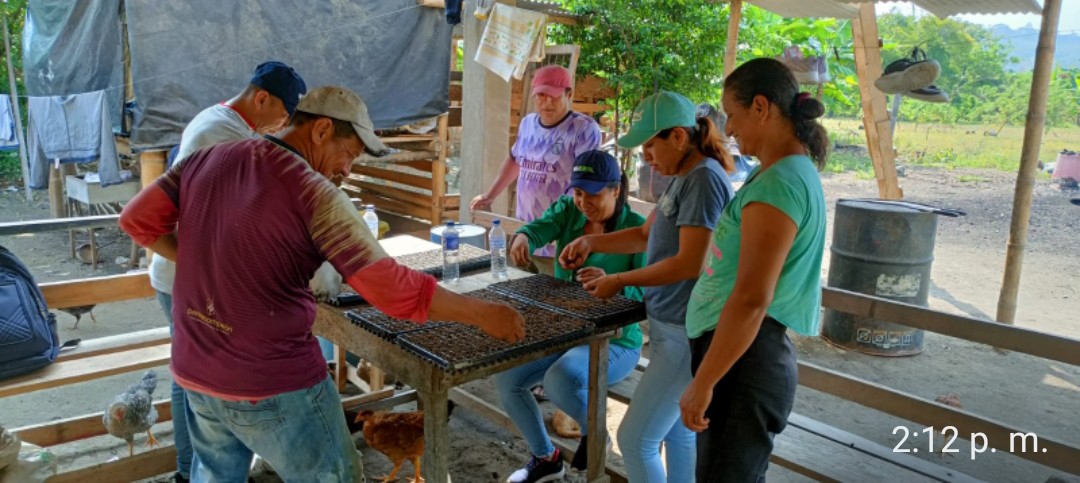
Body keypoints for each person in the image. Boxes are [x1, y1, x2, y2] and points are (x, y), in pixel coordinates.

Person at [120, 86, 526, 482]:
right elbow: (390, 288)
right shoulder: (313, 192)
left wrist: (205, 261)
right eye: (349, 154)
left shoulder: (208, 158)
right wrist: (482, 314)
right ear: (321, 130)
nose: (347, 170)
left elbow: (136, 220)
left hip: (195, 368)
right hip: (271, 379)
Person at [561, 91, 735, 483]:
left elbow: (691, 262)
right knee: (676, 434)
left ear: (678, 137)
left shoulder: (704, 180)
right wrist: (591, 241)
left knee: (635, 439)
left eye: (650, 147)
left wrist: (618, 280)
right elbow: (644, 236)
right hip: (670, 326)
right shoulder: (683, 177)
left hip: (685, 331)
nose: (647, 158)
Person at [145, 60, 306, 483]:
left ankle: (190, 470)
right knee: (200, 379)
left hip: (183, 273)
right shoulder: (223, 134)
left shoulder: (223, 122)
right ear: (262, 98)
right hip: (185, 276)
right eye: (283, 115)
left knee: (190, 375)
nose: (282, 124)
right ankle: (196, 470)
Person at [678, 58, 828, 482]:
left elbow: (751, 297)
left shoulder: (780, 184)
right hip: (743, 355)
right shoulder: (781, 173)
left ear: (761, 107)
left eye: (733, 114)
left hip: (743, 363)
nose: (728, 128)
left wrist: (704, 382)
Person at [496, 150, 645, 482]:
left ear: (616, 190)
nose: (583, 202)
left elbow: (648, 292)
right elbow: (539, 228)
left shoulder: (636, 228)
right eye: (578, 193)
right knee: (507, 380)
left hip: (617, 341)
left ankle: (597, 434)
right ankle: (545, 457)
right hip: (566, 332)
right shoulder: (568, 210)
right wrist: (524, 237)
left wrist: (614, 283)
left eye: (593, 195)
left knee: (560, 381)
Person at [470, 65, 602, 276]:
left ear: (569, 95)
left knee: (555, 291)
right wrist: (490, 195)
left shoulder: (584, 129)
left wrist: (558, 225)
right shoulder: (528, 124)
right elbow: (516, 160)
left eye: (554, 96)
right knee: (523, 288)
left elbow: (585, 181)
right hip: (525, 233)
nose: (547, 102)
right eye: (541, 95)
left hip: (559, 237)